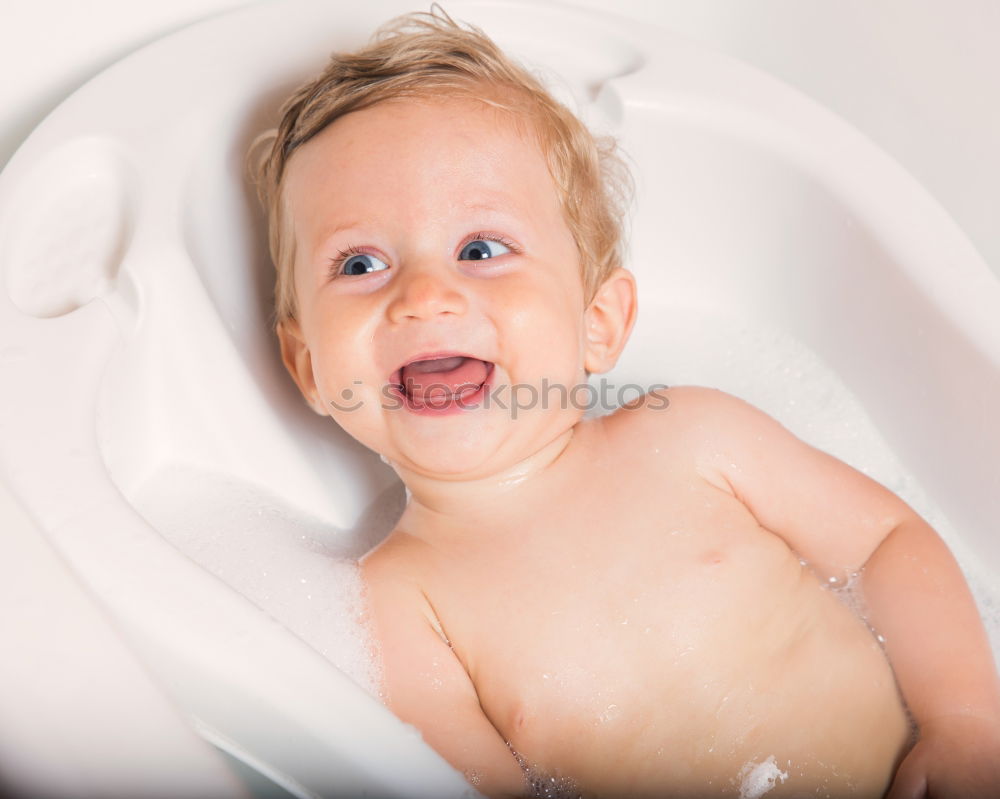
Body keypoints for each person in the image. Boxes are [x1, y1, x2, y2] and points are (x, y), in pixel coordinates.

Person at [251, 9, 1000, 798]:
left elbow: (887, 542)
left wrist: (966, 721)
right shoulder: (403, 604)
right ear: (307, 365)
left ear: (598, 324)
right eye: (361, 262)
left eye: (480, 249)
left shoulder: (694, 435)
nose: (425, 295)